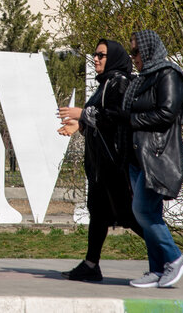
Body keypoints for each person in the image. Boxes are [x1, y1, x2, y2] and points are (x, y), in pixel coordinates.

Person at [101, 30, 183, 288]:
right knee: (149, 213)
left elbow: (167, 113)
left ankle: (174, 258)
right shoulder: (142, 79)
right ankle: (157, 269)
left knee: (142, 210)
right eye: (131, 53)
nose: (134, 58)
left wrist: (130, 119)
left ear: (149, 50)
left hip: (157, 156)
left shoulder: (168, 74)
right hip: (137, 158)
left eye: (136, 52)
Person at [57, 39, 144, 282]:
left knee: (128, 215)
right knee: (98, 213)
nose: (95, 59)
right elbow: (99, 122)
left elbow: (117, 117)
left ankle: (169, 257)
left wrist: (82, 114)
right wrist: (79, 125)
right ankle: (91, 265)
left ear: (113, 58)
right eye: (95, 54)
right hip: (99, 166)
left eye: (101, 55)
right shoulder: (104, 84)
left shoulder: (119, 82)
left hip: (114, 165)